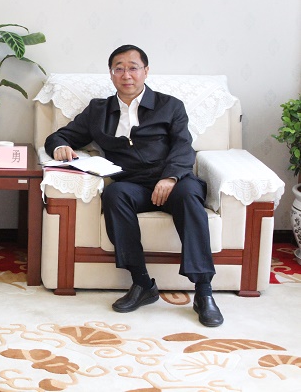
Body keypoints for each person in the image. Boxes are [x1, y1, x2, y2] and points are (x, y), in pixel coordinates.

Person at [44, 44, 224, 327]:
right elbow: (59, 137)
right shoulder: (98, 110)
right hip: (132, 184)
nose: (126, 75)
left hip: (174, 181)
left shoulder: (170, 106)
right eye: (119, 68)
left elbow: (183, 146)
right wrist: (60, 147)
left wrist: (170, 177)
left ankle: (204, 291)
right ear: (111, 73)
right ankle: (142, 284)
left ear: (146, 71)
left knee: (190, 197)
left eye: (133, 68)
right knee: (114, 194)